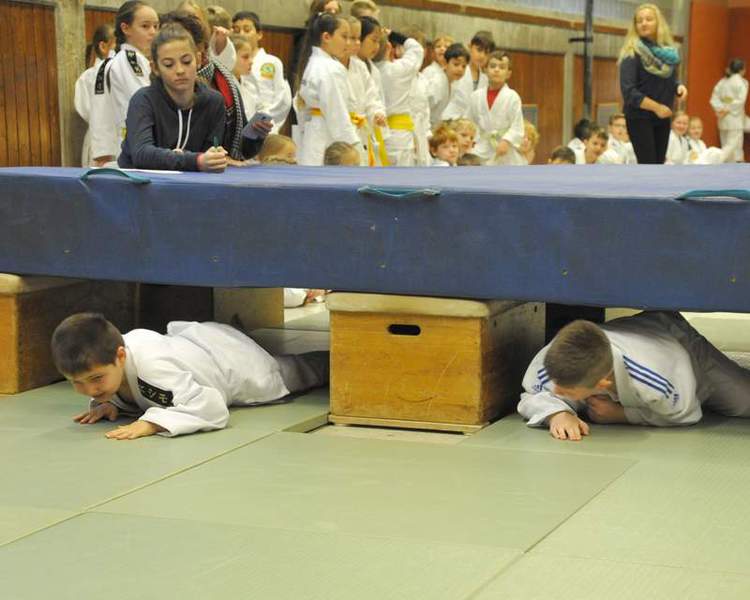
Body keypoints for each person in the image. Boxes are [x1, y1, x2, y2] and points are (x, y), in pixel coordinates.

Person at [51, 313, 329, 440]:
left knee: (304, 371)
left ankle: (341, 357)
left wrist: (152, 424)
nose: (89, 390)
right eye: (76, 382)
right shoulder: (112, 355)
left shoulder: (154, 367)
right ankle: (239, 331)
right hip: (202, 341)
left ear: (120, 356)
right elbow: (136, 389)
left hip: (236, 365)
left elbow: (211, 406)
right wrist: (113, 403)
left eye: (96, 379)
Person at [518, 312, 750, 441]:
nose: (556, 389)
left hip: (680, 345)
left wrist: (623, 415)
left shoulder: (656, 381)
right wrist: (556, 414)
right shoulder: (557, 362)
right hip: (630, 334)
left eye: (566, 391)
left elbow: (687, 413)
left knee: (743, 403)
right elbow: (532, 395)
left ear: (602, 384)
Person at [118, 22, 230, 172]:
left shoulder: (214, 101)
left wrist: (214, 158)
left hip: (191, 182)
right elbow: (142, 154)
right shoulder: (143, 100)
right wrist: (195, 160)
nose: (180, 70)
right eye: (168, 64)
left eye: (186, 61)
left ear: (198, 60)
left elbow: (210, 152)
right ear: (155, 68)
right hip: (141, 182)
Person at [89, 1, 159, 166]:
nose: (153, 32)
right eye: (145, 26)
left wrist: (102, 152)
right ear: (125, 28)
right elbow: (148, 104)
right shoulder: (130, 61)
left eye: (156, 26)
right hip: (132, 148)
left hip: (119, 149)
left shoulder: (117, 60)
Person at [618, 3, 687, 164]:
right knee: (648, 164)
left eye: (649, 19)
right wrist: (657, 108)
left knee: (658, 164)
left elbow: (670, 79)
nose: (644, 23)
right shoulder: (631, 53)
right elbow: (629, 92)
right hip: (640, 117)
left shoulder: (667, 53)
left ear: (658, 23)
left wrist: (678, 86)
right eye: (639, 21)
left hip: (663, 116)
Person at [296, 13, 360, 165]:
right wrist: (350, 144)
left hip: (314, 132)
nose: (348, 43)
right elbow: (336, 110)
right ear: (326, 37)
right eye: (344, 36)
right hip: (328, 134)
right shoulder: (330, 68)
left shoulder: (314, 62)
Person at [231, 11, 292, 134]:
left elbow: (282, 99)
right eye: (237, 30)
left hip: (268, 124)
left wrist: (266, 120)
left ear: (259, 34)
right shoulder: (231, 63)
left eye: (247, 30)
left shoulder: (272, 62)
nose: (241, 34)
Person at [375, 29, 424, 166]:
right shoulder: (397, 70)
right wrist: (394, 34)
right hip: (399, 136)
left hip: (376, 133)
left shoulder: (368, 70)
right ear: (389, 47)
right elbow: (417, 49)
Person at [468, 51, 524, 165]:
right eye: (493, 66)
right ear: (485, 70)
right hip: (481, 148)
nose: (496, 70)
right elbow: (470, 123)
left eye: (502, 67)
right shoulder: (476, 96)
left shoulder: (512, 97)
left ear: (508, 73)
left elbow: (517, 126)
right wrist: (470, 141)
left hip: (505, 150)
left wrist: (507, 140)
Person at [346, 16, 387, 166]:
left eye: (358, 39)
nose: (357, 43)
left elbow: (372, 98)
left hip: (362, 130)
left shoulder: (362, 68)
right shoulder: (331, 67)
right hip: (341, 129)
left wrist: (377, 113)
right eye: (373, 40)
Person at [74, 24, 116, 167]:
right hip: (99, 139)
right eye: (116, 45)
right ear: (103, 46)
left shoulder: (121, 72)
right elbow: (86, 111)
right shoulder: (87, 77)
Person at [443, 31, 494, 119]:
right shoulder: (457, 70)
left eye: (486, 53)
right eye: (479, 50)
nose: (482, 56)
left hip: (469, 125)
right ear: (470, 47)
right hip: (448, 120)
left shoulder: (485, 80)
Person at [710, 58, 748, 162]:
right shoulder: (742, 82)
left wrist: (721, 109)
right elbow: (740, 101)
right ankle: (716, 160)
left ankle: (729, 165)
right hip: (735, 119)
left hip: (723, 117)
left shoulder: (722, 82)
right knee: (732, 146)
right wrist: (728, 109)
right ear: (742, 70)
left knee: (727, 144)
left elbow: (714, 99)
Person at [425, 43, 468, 128]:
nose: (460, 69)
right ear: (445, 63)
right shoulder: (437, 82)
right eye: (456, 64)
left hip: (432, 126)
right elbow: (422, 108)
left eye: (464, 66)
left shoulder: (452, 84)